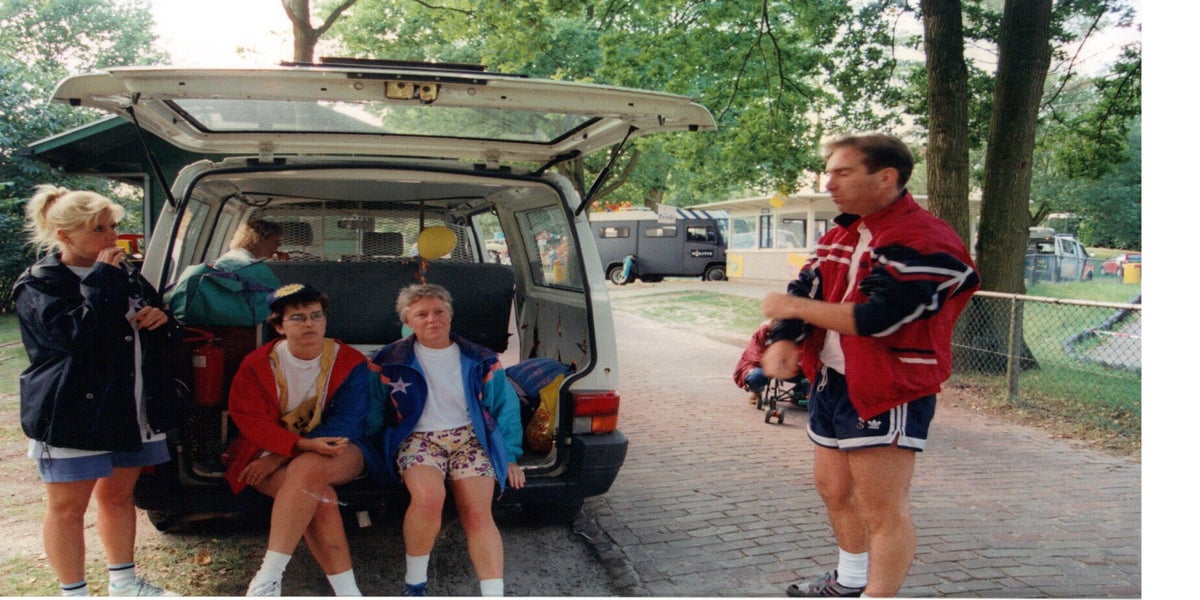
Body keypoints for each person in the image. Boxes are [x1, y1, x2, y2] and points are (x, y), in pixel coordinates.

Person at [760, 134, 980, 598]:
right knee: (834, 489)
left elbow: (881, 318)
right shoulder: (842, 233)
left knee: (882, 508)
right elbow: (808, 286)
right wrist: (784, 337)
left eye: (843, 173)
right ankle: (849, 581)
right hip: (833, 381)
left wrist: (792, 310)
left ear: (886, 178)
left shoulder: (926, 239)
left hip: (888, 386)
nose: (829, 184)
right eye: (829, 173)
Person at [13, 185, 180, 596]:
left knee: (119, 497)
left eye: (113, 226)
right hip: (73, 412)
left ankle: (124, 584)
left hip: (129, 406)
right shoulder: (39, 283)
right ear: (65, 235)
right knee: (68, 508)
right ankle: (74, 593)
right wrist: (102, 279)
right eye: (99, 229)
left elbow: (158, 327)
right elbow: (75, 337)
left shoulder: (125, 274)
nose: (112, 236)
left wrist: (161, 318)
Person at [223, 283, 384, 596]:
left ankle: (268, 576)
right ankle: (349, 593)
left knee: (308, 468)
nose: (309, 323)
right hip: (266, 450)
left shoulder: (348, 360)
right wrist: (289, 448)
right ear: (279, 326)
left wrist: (286, 453)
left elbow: (348, 422)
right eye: (297, 318)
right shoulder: (258, 364)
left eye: (316, 315)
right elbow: (250, 419)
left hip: (337, 448)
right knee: (320, 499)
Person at [370, 283, 525, 597]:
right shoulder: (389, 359)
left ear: (450, 316)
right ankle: (415, 585)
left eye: (439, 311)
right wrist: (368, 453)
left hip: (470, 438)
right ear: (408, 321)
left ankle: (493, 593)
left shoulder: (481, 358)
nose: (432, 319)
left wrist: (509, 455)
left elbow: (504, 407)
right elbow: (373, 409)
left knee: (478, 512)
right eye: (421, 314)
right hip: (419, 439)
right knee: (428, 499)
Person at [166, 219, 283, 326]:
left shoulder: (233, 258)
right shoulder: (246, 265)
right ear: (261, 240)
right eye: (276, 241)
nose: (279, 245)